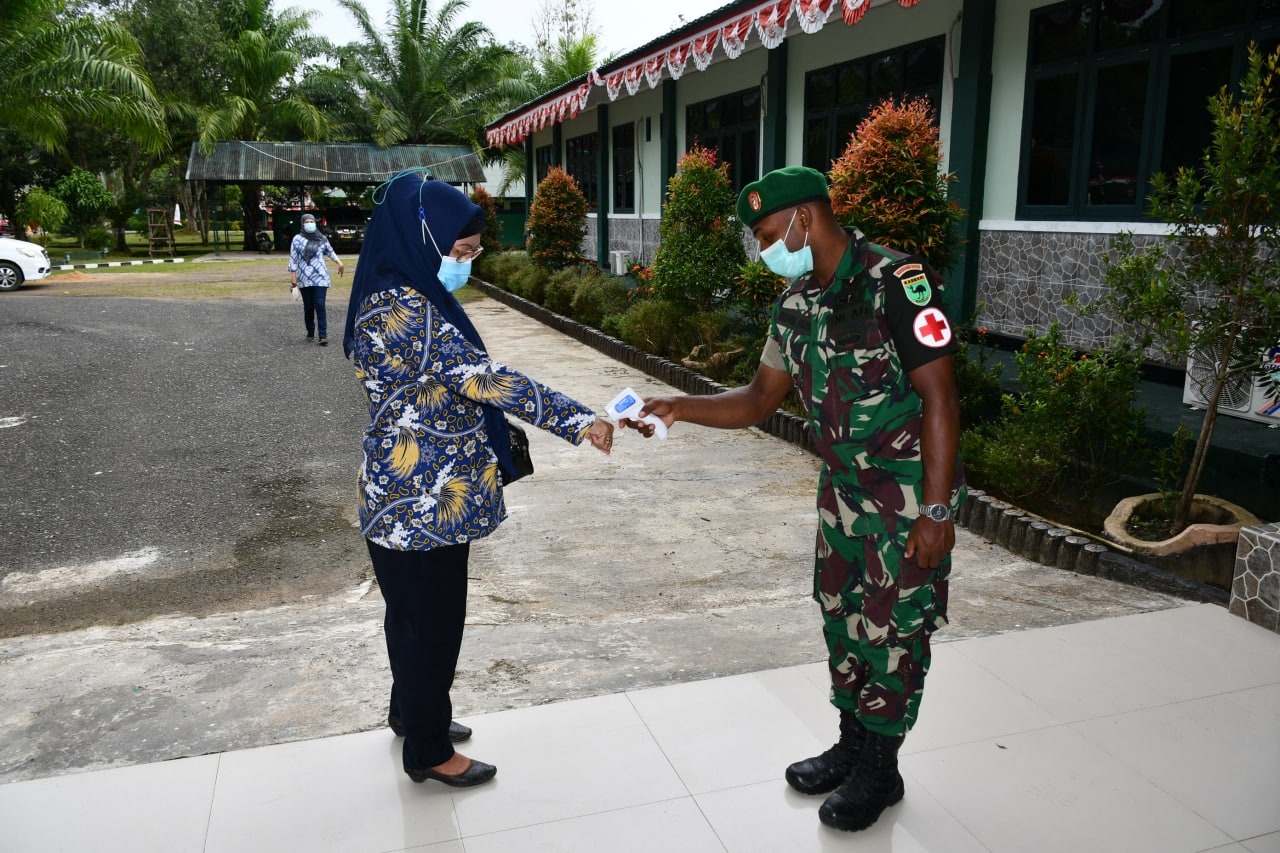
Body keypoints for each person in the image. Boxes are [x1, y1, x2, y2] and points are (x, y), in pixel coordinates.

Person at [622, 166, 963, 832]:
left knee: (895, 634)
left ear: (805, 217)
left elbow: (941, 398)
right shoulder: (796, 303)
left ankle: (881, 767)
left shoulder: (898, 282)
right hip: (839, 499)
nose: (766, 248)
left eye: (769, 232)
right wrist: (680, 407)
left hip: (903, 501)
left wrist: (938, 509)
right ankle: (853, 742)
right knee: (842, 620)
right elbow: (758, 399)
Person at [342, 171, 614, 788]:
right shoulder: (406, 311)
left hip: (405, 492)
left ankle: (413, 714)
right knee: (435, 622)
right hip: (423, 499)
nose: (469, 263)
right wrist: (579, 422)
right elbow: (489, 379)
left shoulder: (392, 289)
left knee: (408, 616)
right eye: (460, 252)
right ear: (422, 240)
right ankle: (430, 751)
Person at [289, 212, 344, 345]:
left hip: (320, 276)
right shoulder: (297, 239)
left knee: (320, 304)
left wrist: (339, 262)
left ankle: (323, 335)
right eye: (307, 222)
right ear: (302, 224)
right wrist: (293, 276)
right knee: (308, 307)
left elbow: (330, 251)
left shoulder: (321, 238)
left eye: (311, 221)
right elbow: (293, 258)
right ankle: (310, 331)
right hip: (304, 277)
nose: (309, 224)